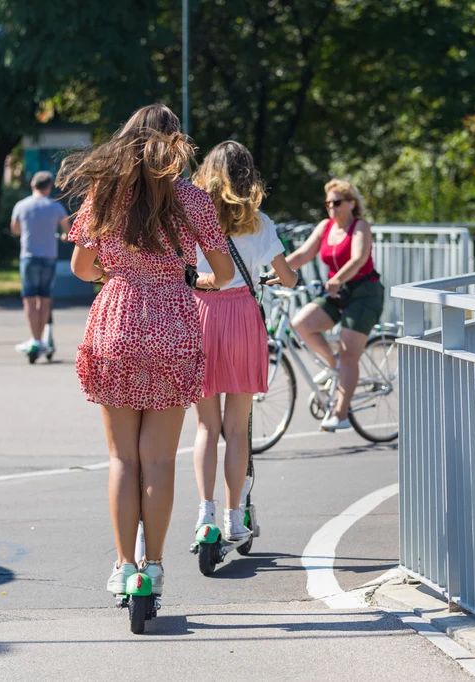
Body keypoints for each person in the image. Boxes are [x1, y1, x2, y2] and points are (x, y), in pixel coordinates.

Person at [59, 104, 235, 598]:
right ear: (174, 144)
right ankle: (153, 568)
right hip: (174, 328)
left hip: (116, 324)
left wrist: (115, 273)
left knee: (122, 461)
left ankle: (123, 565)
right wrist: (192, 277)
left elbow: (80, 267)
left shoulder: (105, 193)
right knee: (158, 461)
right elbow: (222, 275)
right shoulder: (193, 200)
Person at [191, 141, 298, 538]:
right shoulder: (259, 221)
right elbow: (286, 277)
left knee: (205, 427)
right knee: (237, 429)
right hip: (242, 317)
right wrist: (273, 278)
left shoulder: (193, 217)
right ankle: (234, 518)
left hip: (200, 314)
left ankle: (204, 515)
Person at [283, 179, 384, 431]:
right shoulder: (325, 227)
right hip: (336, 293)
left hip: (364, 293)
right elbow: (303, 255)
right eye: (328, 203)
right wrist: (274, 271)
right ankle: (333, 364)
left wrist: (338, 278)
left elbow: (359, 258)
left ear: (351, 204)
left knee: (349, 351)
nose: (331, 207)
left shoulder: (360, 226)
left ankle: (341, 415)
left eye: (337, 203)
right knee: (301, 323)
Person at [10, 170, 71, 358]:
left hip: (28, 257)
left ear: (32, 185)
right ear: (49, 187)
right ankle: (41, 340)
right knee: (44, 299)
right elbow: (68, 232)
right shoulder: (55, 207)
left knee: (29, 299)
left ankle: (35, 339)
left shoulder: (21, 205)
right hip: (49, 257)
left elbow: (15, 229)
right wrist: (61, 237)